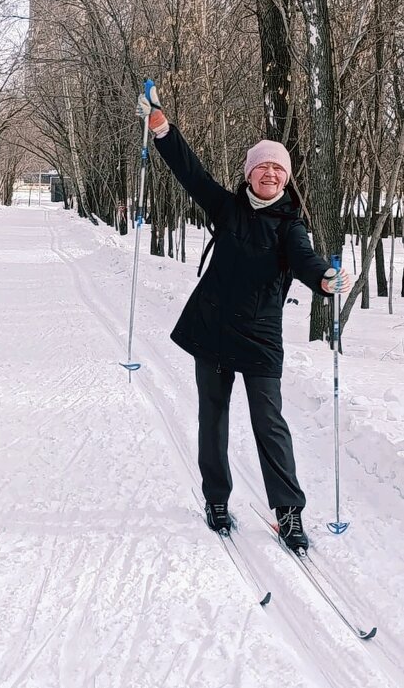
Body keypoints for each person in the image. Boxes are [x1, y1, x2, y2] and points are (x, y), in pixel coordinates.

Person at [136, 90, 351, 552]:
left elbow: (307, 261)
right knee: (212, 418)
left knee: (268, 423)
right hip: (212, 330)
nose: (270, 173)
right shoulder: (226, 207)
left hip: (259, 338)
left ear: (286, 179)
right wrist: (162, 129)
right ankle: (216, 499)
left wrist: (325, 281)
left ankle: (288, 513)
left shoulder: (290, 226)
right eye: (262, 166)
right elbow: (189, 172)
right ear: (249, 174)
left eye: (278, 169)